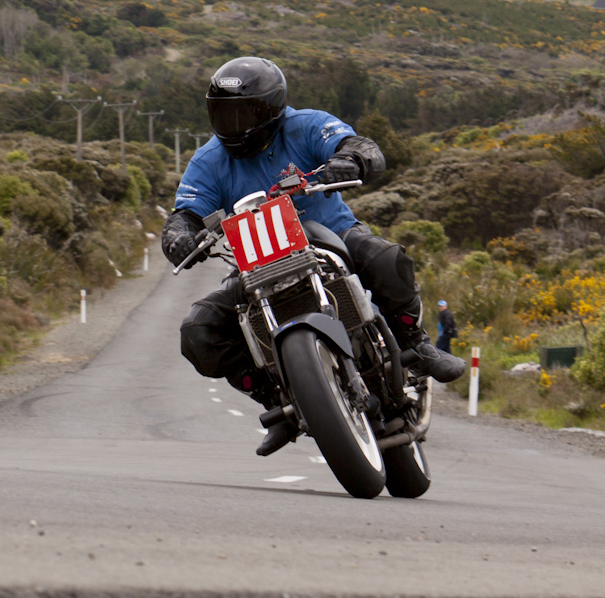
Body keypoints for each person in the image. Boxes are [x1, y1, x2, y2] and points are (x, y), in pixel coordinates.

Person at [162, 56, 466, 456]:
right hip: (258, 264)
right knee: (198, 330)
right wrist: (180, 235)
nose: (234, 124)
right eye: (225, 113)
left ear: (271, 107)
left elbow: (358, 145)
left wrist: (350, 158)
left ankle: (416, 343)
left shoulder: (305, 125)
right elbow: (184, 212)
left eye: (245, 113)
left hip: (332, 235)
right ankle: (279, 402)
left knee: (386, 258)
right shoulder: (208, 160)